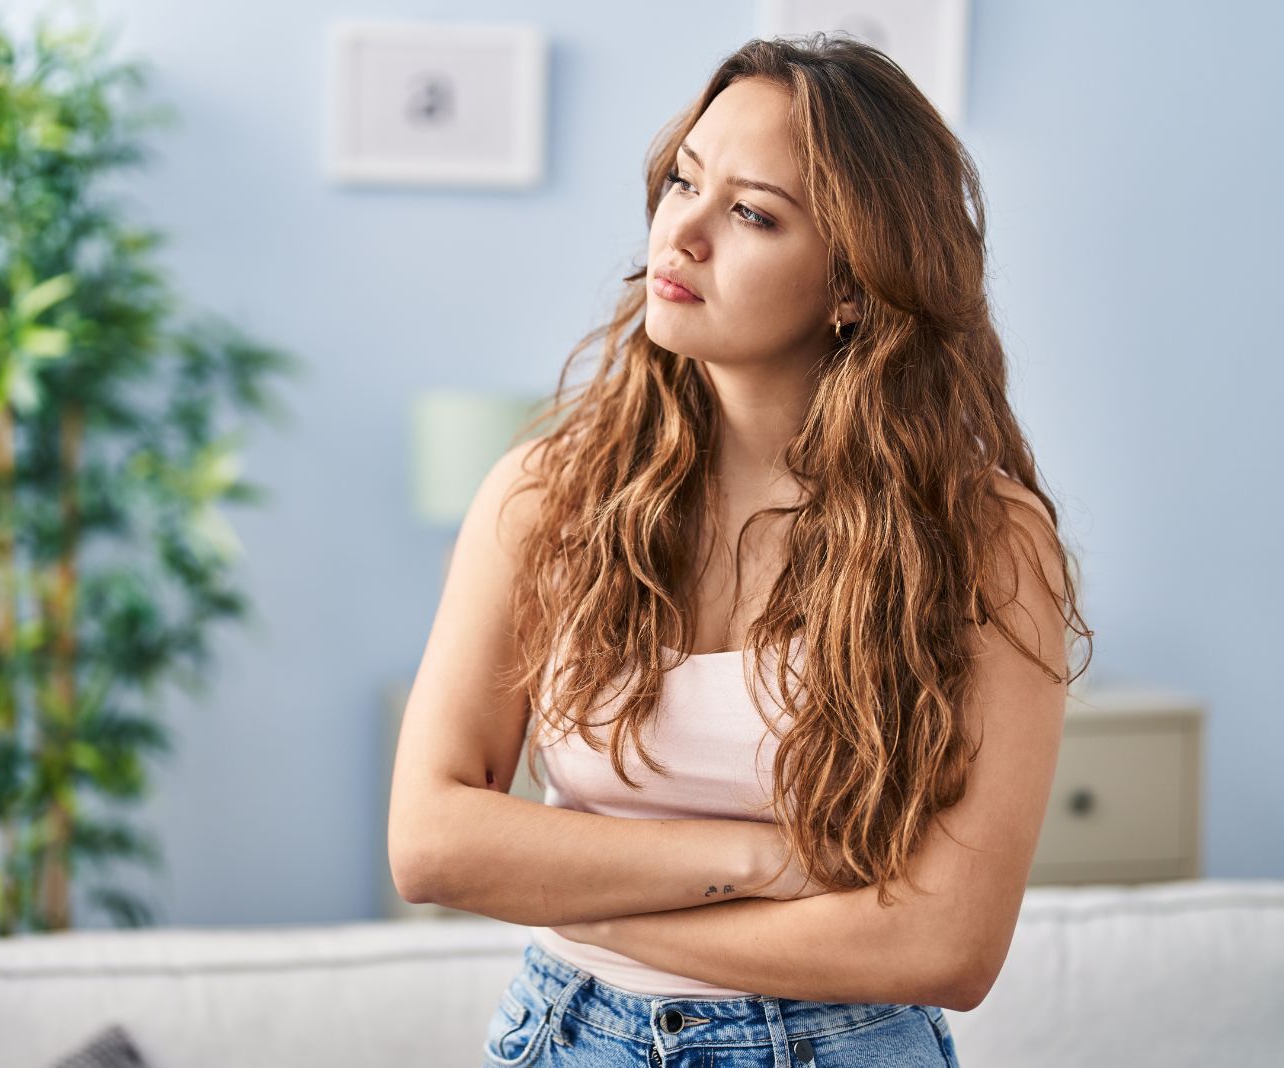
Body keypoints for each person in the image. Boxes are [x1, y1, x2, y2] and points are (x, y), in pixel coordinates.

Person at [387, 31, 1093, 1068]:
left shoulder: (984, 544)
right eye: (682, 180)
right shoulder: (546, 496)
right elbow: (433, 842)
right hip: (565, 1038)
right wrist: (763, 859)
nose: (682, 233)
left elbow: (947, 944)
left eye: (752, 213)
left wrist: (605, 916)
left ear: (855, 284)